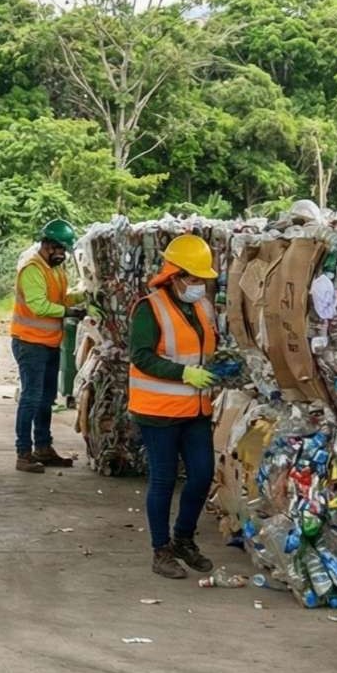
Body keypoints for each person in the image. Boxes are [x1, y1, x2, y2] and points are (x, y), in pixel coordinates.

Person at [126, 233, 220, 579]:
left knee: (202, 475)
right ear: (175, 275)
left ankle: (184, 538)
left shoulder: (201, 307)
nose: (198, 285)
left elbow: (207, 349)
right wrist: (184, 373)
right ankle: (160, 549)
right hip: (158, 411)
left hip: (196, 409)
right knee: (164, 480)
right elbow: (140, 356)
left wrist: (220, 367)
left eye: (201, 279)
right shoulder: (149, 308)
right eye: (193, 278)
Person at [10, 219, 86, 473]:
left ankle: (43, 446)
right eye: (58, 249)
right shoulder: (32, 269)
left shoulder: (55, 269)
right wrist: (72, 311)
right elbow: (39, 305)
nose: (62, 254)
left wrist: (84, 295)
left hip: (49, 343)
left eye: (64, 250)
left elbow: (60, 297)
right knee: (31, 398)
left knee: (46, 398)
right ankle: (23, 452)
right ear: (46, 245)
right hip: (30, 343)